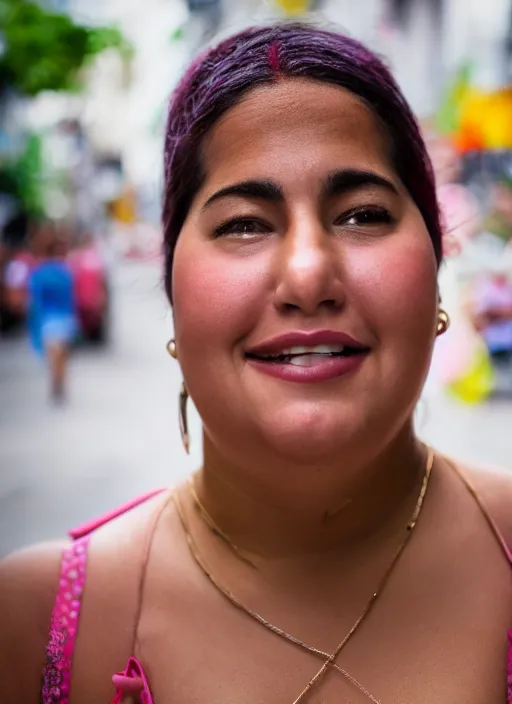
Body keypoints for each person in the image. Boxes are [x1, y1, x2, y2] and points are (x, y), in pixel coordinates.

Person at [1, 22, 512, 704]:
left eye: (362, 214)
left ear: (436, 273)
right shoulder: (33, 627)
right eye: (244, 223)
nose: (307, 277)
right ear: (173, 295)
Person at [27, 227, 77, 402]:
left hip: (48, 322)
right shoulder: (65, 273)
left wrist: (34, 328)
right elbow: (71, 300)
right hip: (65, 320)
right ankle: (61, 384)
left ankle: (56, 384)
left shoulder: (38, 274)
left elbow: (35, 304)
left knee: (52, 358)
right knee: (62, 358)